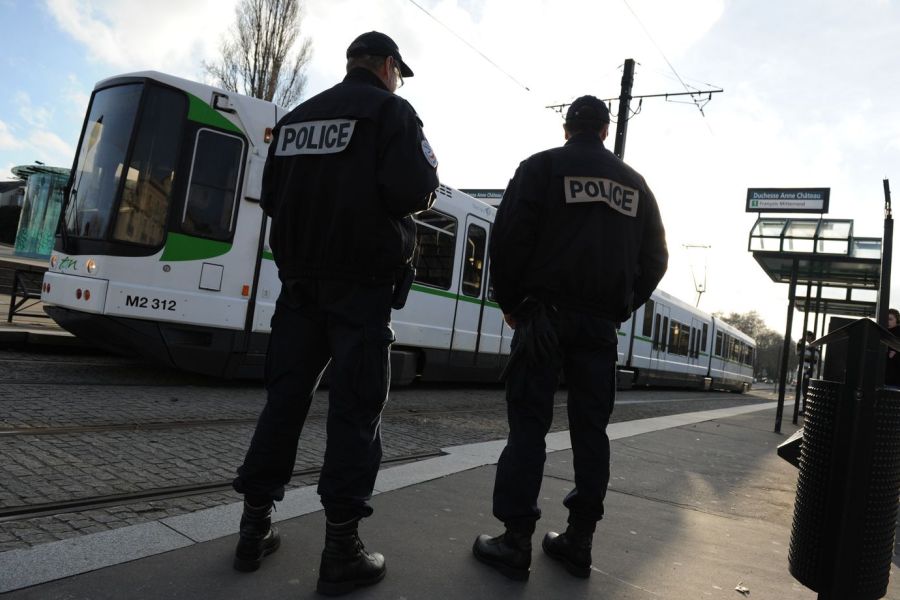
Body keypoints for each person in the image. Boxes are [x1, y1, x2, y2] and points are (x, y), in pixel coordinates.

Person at [231, 31, 439, 596]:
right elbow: (417, 189)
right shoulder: (391, 112)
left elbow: (272, 198)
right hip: (361, 292)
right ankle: (341, 548)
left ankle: (253, 530)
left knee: (284, 403)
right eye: (398, 72)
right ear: (389, 66)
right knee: (354, 412)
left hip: (298, 291)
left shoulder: (298, 119)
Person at [473, 95, 668, 580]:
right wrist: (621, 304)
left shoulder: (542, 167)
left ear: (567, 128)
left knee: (528, 428)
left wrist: (514, 304)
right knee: (590, 432)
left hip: (543, 317)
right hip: (598, 326)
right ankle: (578, 541)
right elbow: (657, 259)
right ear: (605, 131)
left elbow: (509, 237)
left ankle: (515, 540)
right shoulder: (636, 186)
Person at [885, 308, 900, 386]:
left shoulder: (898, 334)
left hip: (894, 377)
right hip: (884, 376)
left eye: (890, 319)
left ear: (897, 321)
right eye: (886, 319)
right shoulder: (883, 332)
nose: (888, 321)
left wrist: (896, 355)